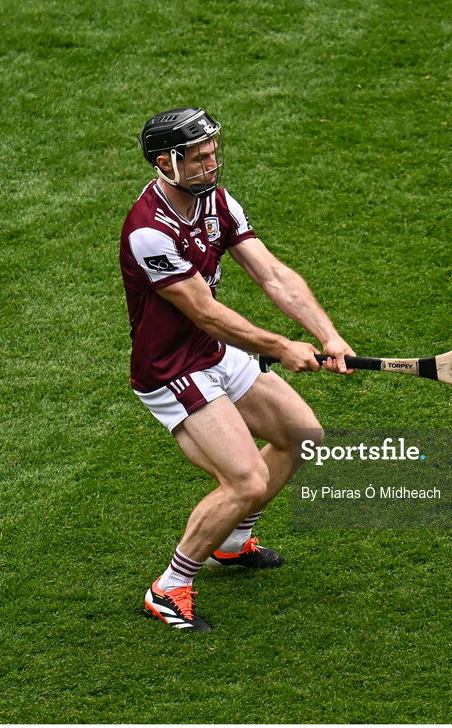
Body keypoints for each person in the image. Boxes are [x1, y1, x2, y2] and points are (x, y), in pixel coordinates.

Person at [120, 108, 354, 632]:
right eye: (198, 157)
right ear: (165, 163)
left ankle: (230, 542)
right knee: (245, 479)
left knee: (301, 436)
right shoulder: (147, 233)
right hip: (171, 368)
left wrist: (326, 334)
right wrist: (280, 345)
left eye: (212, 152)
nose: (211, 163)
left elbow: (270, 272)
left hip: (211, 351)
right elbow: (204, 311)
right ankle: (170, 587)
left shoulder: (216, 201)